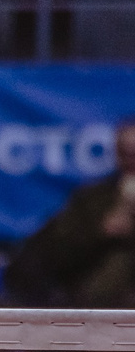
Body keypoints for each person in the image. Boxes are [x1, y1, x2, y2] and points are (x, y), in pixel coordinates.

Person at [8, 121, 135, 307]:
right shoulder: (92, 199)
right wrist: (101, 231)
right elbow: (55, 257)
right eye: (126, 152)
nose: (131, 160)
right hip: (98, 309)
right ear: (116, 152)